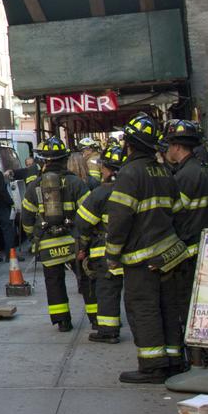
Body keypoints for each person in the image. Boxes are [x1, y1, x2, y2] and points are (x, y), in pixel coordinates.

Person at [105, 113, 190, 383]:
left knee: (144, 308)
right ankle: (174, 360)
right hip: (168, 256)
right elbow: (178, 211)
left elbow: (119, 220)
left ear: (129, 144)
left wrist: (112, 254)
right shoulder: (164, 171)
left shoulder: (129, 174)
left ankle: (152, 367)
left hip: (141, 260)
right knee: (168, 306)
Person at [165, 120, 208, 359]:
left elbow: (175, 216)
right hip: (207, 247)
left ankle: (199, 353)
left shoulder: (183, 176)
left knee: (188, 304)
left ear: (176, 147)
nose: (166, 151)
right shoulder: (204, 170)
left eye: (168, 146)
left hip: (190, 249)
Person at [20, 137, 93, 332]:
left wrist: (33, 238)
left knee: (54, 282)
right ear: (64, 159)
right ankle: (96, 319)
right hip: (74, 242)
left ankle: (63, 321)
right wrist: (85, 240)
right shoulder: (76, 183)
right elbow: (89, 214)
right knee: (86, 280)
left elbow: (26, 219)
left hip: (47, 243)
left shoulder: (33, 186)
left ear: (43, 161)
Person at [74, 144, 127, 343]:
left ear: (108, 169)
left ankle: (108, 331)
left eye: (103, 167)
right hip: (135, 249)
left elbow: (82, 223)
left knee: (107, 290)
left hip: (106, 251)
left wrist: (84, 246)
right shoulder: (134, 187)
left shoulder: (100, 193)